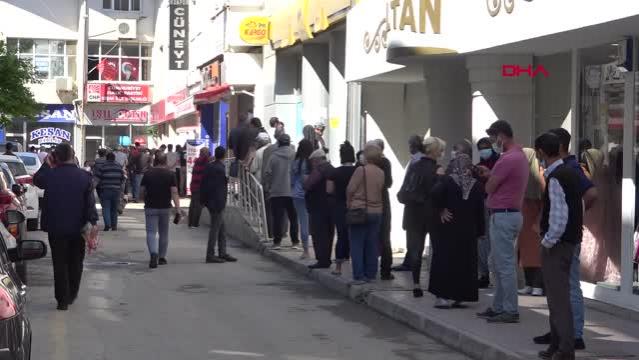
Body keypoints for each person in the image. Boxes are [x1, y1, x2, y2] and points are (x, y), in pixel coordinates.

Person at [533, 128, 596, 350]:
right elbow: (574, 204)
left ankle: (570, 340)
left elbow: (565, 213)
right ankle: (559, 338)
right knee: (558, 296)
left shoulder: (565, 172)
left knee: (564, 294)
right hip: (566, 239)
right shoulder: (564, 172)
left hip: (561, 243)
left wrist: (548, 241)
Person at [476, 120, 529, 324]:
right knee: (498, 263)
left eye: (493, 137)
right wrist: (491, 175)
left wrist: (487, 178)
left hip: (503, 215)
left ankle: (509, 309)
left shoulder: (507, 159)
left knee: (504, 265)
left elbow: (490, 188)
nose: (493, 142)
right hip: (510, 214)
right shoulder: (519, 156)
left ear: (501, 135)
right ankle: (499, 306)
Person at [34, 143, 98, 310]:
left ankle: (62, 299)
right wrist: (93, 223)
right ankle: (71, 294)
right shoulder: (84, 176)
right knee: (76, 262)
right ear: (73, 155)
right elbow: (90, 204)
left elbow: (37, 180)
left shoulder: (50, 175)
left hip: (55, 227)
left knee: (59, 263)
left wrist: (47, 163)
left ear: (56, 157)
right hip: (78, 227)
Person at [428, 154, 485, 308]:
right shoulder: (476, 185)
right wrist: (480, 231)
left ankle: (443, 296)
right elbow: (480, 210)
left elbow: (433, 195)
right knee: (464, 262)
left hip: (448, 228)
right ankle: (460, 296)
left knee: (445, 260)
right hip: (468, 230)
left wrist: (440, 211)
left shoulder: (447, 181)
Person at [397, 136, 443, 297]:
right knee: (437, 250)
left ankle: (416, 284)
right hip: (431, 214)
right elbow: (440, 193)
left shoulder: (414, 166)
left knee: (415, 251)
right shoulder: (437, 170)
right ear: (436, 152)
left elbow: (402, 193)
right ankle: (436, 285)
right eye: (441, 150)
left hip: (412, 214)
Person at [346, 142, 386, 284]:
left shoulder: (360, 170)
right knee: (372, 243)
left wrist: (349, 204)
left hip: (359, 210)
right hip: (377, 211)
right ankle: (371, 273)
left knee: (357, 244)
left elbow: (350, 189)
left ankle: (359, 275)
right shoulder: (381, 172)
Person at [139, 152, 182, 269]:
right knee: (164, 233)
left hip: (151, 207)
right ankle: (162, 258)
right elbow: (174, 192)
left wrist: (143, 199)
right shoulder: (170, 174)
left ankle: (153, 253)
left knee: (151, 233)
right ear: (166, 161)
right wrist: (178, 209)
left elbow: (141, 191)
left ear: (154, 161)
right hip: (165, 207)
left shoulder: (148, 174)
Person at [393, 135, 427, 272]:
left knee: (414, 235)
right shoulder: (415, 160)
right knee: (413, 235)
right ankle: (410, 260)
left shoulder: (418, 161)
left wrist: (404, 194)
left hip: (415, 204)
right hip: (413, 203)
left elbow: (411, 182)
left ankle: (411, 262)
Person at [201, 147, 237, 263]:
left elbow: (204, 184)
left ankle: (222, 252)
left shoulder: (209, 167)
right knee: (215, 229)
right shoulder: (221, 169)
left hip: (211, 201)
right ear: (224, 155)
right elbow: (220, 188)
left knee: (221, 228)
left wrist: (204, 200)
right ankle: (210, 254)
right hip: (217, 202)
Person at [263, 134, 299, 250]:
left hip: (277, 191)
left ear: (278, 143)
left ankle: (277, 242)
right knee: (293, 218)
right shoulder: (295, 155)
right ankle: (295, 242)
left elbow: (267, 173)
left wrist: (268, 187)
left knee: (277, 217)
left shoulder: (274, 156)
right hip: (292, 192)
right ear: (289, 143)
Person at [517, 148, 545, 297]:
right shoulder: (522, 175)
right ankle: (528, 284)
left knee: (536, 254)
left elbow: (546, 199)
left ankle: (538, 285)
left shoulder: (540, 174)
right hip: (524, 218)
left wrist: (540, 220)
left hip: (536, 219)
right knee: (525, 253)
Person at [327, 141, 357, 275]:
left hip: (339, 206)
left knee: (341, 235)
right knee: (355, 236)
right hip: (356, 206)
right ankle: (353, 264)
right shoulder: (358, 171)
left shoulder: (335, 172)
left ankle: (338, 267)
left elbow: (329, 190)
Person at [304, 149, 335, 268]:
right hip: (331, 207)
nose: (312, 164)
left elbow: (308, 184)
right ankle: (326, 258)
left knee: (319, 234)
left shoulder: (319, 170)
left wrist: (305, 181)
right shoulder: (332, 168)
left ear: (317, 160)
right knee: (329, 233)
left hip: (318, 207)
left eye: (313, 161)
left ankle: (322, 259)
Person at [475, 137, 500, 288]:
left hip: (497, 205)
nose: (483, 151)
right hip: (483, 204)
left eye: (486, 147)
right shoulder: (478, 167)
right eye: (481, 148)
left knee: (494, 241)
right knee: (483, 240)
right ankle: (484, 274)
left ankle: (492, 275)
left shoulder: (499, 163)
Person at [372, 139, 394, 280]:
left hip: (370, 203)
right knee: (385, 237)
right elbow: (389, 182)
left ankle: (370, 269)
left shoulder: (365, 164)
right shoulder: (385, 163)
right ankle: (385, 270)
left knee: (371, 237)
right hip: (383, 202)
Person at [291, 139, 314, 259]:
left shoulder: (297, 162)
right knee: (313, 222)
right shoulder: (312, 162)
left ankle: (306, 251)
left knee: (303, 222)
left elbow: (292, 180)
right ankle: (315, 248)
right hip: (311, 195)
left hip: (298, 195)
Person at [94, 152, 125, 231]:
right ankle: (114, 226)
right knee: (114, 209)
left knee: (106, 207)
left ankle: (107, 224)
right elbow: (123, 178)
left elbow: (97, 178)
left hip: (105, 189)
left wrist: (93, 187)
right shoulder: (119, 166)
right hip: (116, 190)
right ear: (114, 158)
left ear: (106, 158)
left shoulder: (103, 167)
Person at [188, 147, 210, 228]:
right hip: (199, 186)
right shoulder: (205, 161)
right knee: (198, 206)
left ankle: (190, 223)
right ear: (205, 153)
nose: (209, 153)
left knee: (193, 204)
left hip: (193, 185)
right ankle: (195, 223)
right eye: (207, 152)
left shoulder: (197, 161)